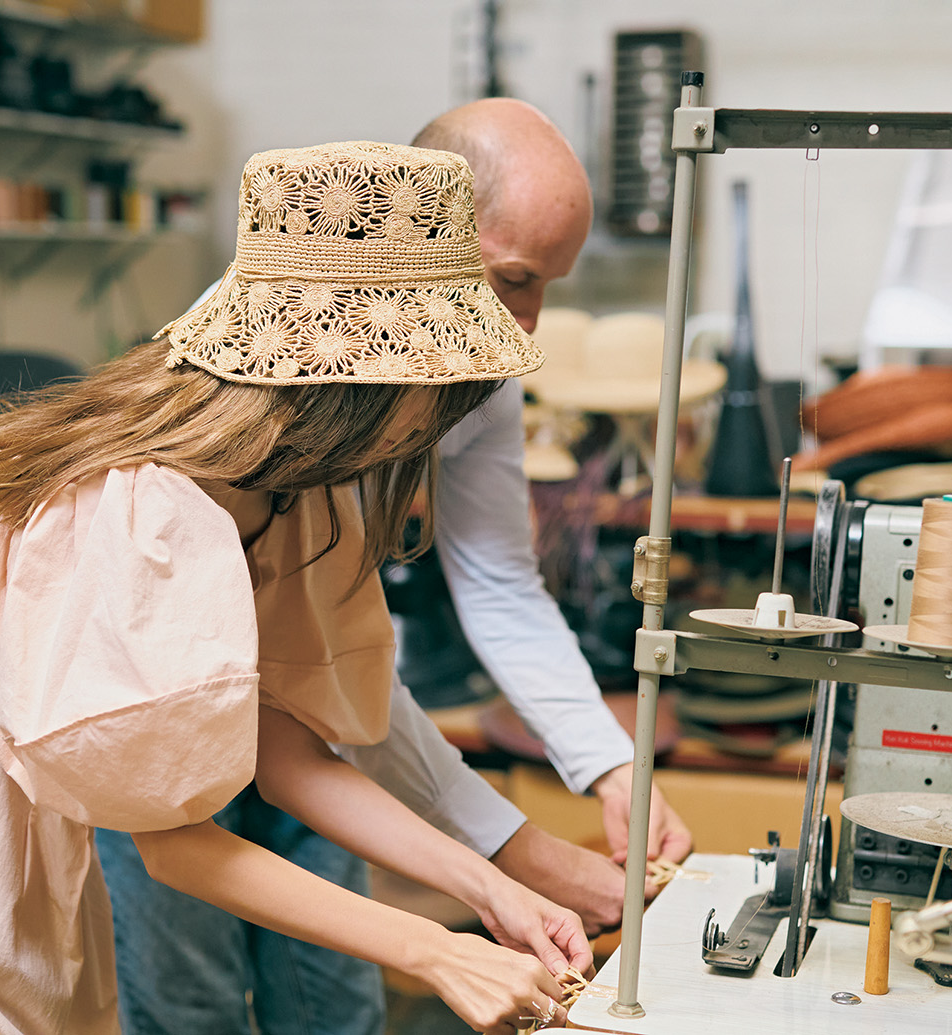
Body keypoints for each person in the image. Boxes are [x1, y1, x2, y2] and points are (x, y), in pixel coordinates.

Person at [0, 141, 595, 1035]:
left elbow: (282, 749)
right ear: (358, 376)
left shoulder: (291, 483)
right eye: (431, 378)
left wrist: (491, 889)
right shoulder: (140, 500)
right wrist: (437, 949)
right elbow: (173, 844)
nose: (445, 406)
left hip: (43, 807)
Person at [98, 100, 693, 1035]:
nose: (527, 326)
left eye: (548, 289)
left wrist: (604, 773)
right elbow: (197, 805)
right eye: (513, 279)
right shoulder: (258, 413)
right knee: (190, 1006)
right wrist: (509, 862)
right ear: (428, 245)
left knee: (333, 1002)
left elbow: (321, 699)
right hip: (154, 743)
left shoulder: (450, 392)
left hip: (295, 737)